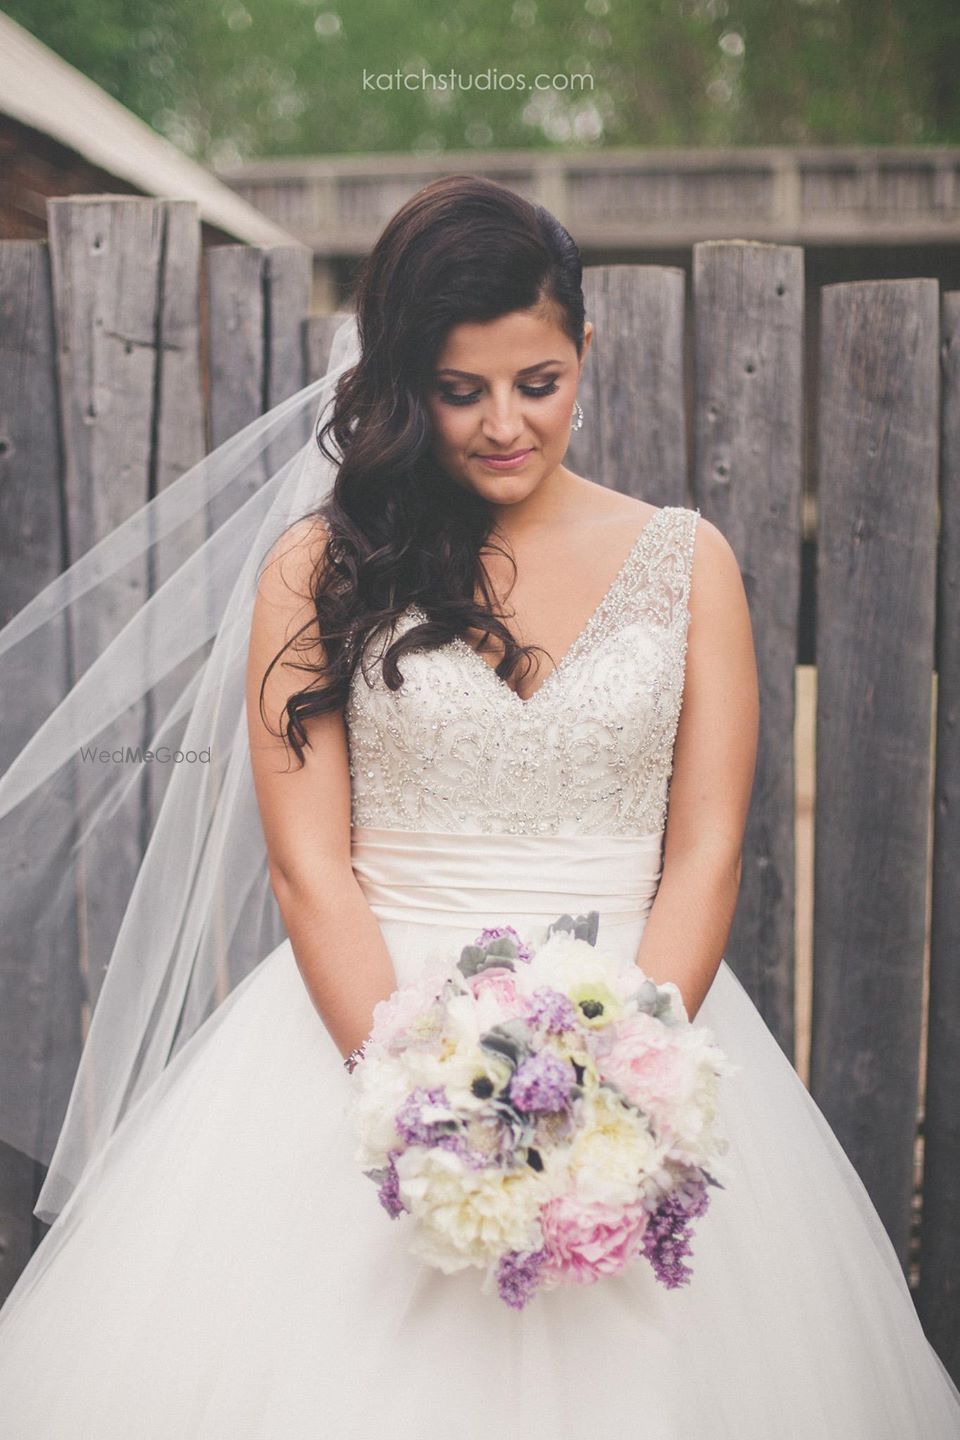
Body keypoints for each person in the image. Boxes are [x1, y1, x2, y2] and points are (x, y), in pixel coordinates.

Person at [0, 173, 958, 1438]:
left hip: (640, 1022)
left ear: (584, 354)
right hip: (366, 1033)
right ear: (404, 383)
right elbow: (310, 870)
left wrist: (625, 1083)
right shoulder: (319, 568)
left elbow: (708, 847)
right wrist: (426, 1101)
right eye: (460, 392)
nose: (504, 423)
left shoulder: (687, 561)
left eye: (538, 382)